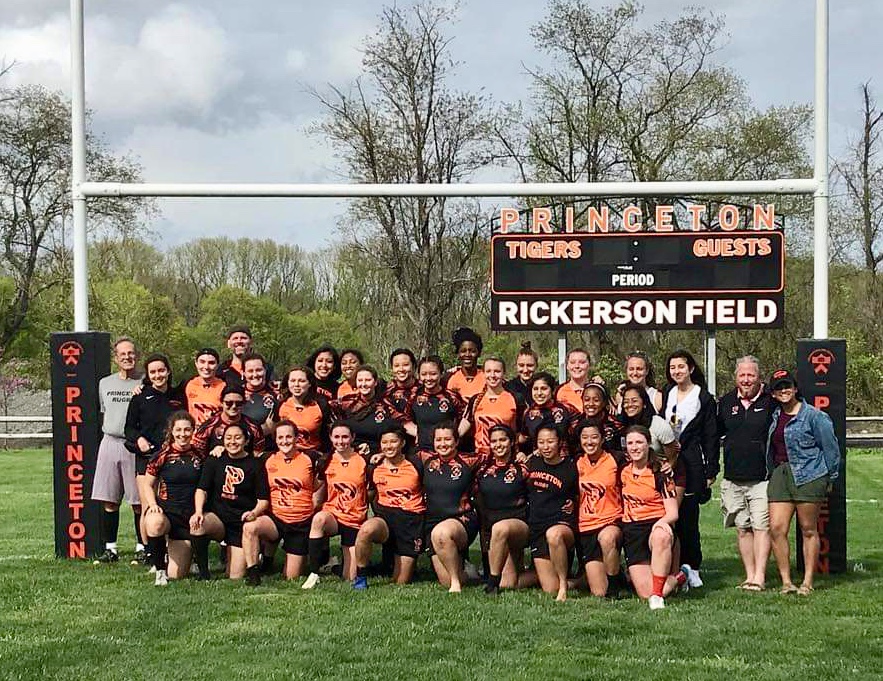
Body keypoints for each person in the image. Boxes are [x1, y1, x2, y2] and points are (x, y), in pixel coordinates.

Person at [766, 369, 840, 596]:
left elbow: (831, 448)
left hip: (809, 475)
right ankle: (786, 581)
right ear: (774, 394)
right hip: (780, 474)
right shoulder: (776, 415)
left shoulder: (815, 416)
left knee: (808, 529)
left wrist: (830, 477)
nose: (784, 391)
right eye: (779, 387)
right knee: (777, 529)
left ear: (795, 388)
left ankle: (807, 581)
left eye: (787, 386)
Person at [661, 349, 719, 588]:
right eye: (673, 367)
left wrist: (711, 470)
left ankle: (693, 567)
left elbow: (711, 436)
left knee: (688, 517)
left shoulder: (703, 397)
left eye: (681, 367)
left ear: (691, 368)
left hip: (693, 463)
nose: (677, 371)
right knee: (669, 516)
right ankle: (671, 567)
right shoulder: (667, 393)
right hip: (668, 463)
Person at [716, 356, 774, 591]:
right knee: (742, 528)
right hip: (733, 477)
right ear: (736, 378)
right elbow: (716, 433)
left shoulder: (771, 401)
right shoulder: (726, 402)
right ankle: (749, 575)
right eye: (743, 375)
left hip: (762, 478)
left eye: (751, 375)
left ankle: (760, 576)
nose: (747, 379)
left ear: (759, 377)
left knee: (761, 526)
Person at [242, 420, 323, 584]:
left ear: (296, 438)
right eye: (280, 437)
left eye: (288, 437)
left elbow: (324, 479)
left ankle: (287, 556)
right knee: (250, 527)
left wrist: (317, 501)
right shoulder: (267, 459)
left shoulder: (310, 458)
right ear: (275, 439)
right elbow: (242, 456)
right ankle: (254, 574)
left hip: (300, 522)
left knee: (291, 577)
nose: (284, 441)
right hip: (276, 518)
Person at [190, 423, 269, 580]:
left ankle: (252, 552)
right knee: (198, 524)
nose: (232, 442)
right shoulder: (215, 460)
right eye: (228, 438)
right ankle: (204, 572)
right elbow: (202, 489)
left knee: (235, 576)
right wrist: (198, 511)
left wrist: (254, 513)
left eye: (238, 438)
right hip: (218, 519)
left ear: (246, 441)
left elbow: (263, 500)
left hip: (240, 522)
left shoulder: (255, 464)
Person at [124, 353, 182, 563]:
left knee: (167, 504)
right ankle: (149, 551)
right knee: (148, 504)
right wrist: (138, 439)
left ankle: (167, 548)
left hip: (172, 458)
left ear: (168, 371)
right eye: (153, 372)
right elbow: (129, 428)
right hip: (147, 458)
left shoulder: (178, 395)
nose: (158, 375)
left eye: (161, 370)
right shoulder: (140, 396)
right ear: (148, 375)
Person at [619, 425, 685, 610]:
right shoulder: (622, 471)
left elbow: (673, 513)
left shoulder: (660, 473)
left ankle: (657, 597)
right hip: (632, 532)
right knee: (643, 593)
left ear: (648, 444)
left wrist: (660, 524)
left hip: (655, 525)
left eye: (639, 442)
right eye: (630, 443)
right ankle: (680, 576)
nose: (635, 447)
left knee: (661, 535)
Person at [353, 425, 425, 588]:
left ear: (402, 443)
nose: (389, 446)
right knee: (366, 530)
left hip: (410, 522)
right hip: (385, 520)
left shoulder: (416, 464)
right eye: (385, 442)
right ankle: (361, 579)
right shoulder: (374, 467)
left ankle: (403, 564)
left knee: (400, 582)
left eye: (393, 441)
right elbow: (369, 494)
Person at [91, 337, 142, 564]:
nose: (127, 358)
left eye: (131, 354)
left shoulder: (144, 381)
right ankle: (110, 548)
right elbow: (105, 412)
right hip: (110, 442)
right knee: (109, 499)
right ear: (116, 358)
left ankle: (143, 547)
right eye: (123, 355)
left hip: (133, 445)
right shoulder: (105, 383)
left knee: (138, 500)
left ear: (136, 355)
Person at [302, 422, 369, 588]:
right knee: (319, 519)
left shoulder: (364, 460)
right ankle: (314, 572)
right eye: (336, 437)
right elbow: (315, 486)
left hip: (354, 519)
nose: (341, 441)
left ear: (352, 437)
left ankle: (334, 566)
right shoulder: (326, 461)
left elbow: (372, 491)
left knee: (350, 577)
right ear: (331, 438)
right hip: (333, 515)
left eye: (345, 436)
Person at [142, 411, 204, 586]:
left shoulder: (199, 455)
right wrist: (153, 505)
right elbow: (147, 484)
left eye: (187, 430)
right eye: (178, 430)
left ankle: (190, 557)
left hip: (189, 515)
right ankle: (160, 571)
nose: (183, 434)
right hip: (168, 512)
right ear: (172, 431)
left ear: (193, 431)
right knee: (154, 523)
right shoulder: (162, 455)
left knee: (177, 575)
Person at [420, 423, 483, 593]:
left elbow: (497, 457)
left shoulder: (470, 461)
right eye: (438, 440)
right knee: (444, 580)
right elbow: (397, 454)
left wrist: (522, 454)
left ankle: (456, 584)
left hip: (462, 519)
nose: (443, 444)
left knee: (442, 533)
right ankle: (467, 572)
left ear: (456, 441)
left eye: (447, 439)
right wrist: (380, 455)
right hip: (432, 522)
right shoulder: (425, 459)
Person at [525, 424, 578, 602]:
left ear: (560, 443)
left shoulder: (571, 467)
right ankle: (579, 581)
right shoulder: (532, 463)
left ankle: (564, 586)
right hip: (537, 527)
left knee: (554, 535)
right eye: (541, 442)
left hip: (562, 525)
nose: (546, 447)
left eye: (550, 442)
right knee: (549, 588)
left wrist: (575, 503)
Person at [476, 425, 530, 595]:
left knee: (501, 528)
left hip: (519, 525)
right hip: (494, 531)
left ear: (512, 441)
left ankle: (492, 584)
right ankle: (540, 573)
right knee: (509, 583)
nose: (498, 444)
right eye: (494, 441)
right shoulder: (483, 469)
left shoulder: (523, 467)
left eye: (503, 440)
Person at [574, 420, 625, 598]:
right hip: (586, 526)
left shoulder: (616, 459)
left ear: (603, 439)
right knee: (598, 592)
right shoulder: (576, 462)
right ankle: (618, 574)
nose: (590, 442)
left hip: (611, 521)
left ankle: (615, 585)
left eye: (594, 437)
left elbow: (643, 461)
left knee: (607, 537)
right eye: (585, 437)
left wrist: (664, 464)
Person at [463, 357, 525, 457]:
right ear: (483, 373)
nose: (492, 375)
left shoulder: (516, 398)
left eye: (497, 371)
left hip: (507, 457)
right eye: (488, 371)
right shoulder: (475, 400)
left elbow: (525, 431)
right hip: (481, 458)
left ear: (503, 373)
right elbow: (461, 430)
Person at [404, 356, 466, 451]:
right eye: (424, 374)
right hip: (422, 452)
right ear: (418, 375)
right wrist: (419, 434)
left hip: (447, 452)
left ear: (441, 374)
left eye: (433, 374)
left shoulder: (451, 397)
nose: (428, 378)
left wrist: (455, 437)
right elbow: (404, 419)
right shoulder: (413, 397)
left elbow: (465, 419)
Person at [333, 365, 398, 455]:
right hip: (350, 450)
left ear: (375, 382)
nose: (363, 384)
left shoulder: (386, 404)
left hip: (379, 453)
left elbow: (401, 425)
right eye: (360, 380)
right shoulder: (347, 402)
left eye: (367, 380)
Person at [191, 384, 265, 459]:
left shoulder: (254, 427)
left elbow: (258, 455)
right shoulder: (208, 427)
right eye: (229, 403)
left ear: (244, 403)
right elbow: (197, 455)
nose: (233, 406)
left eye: (238, 403)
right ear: (221, 402)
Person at [617, 383, 678, 464]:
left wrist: (667, 469)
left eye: (634, 401)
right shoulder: (621, 425)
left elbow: (672, 457)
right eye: (626, 402)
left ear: (644, 403)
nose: (630, 405)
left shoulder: (658, 425)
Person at [276, 366, 333, 453]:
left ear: (309, 383)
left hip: (313, 453)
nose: (296, 385)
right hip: (286, 453)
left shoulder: (321, 405)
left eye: (301, 381)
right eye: (292, 381)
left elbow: (329, 433)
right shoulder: (280, 405)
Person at [520, 372, 570, 453]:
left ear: (552, 390)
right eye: (535, 389)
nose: (539, 393)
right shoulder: (528, 413)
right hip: (538, 461)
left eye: (544, 388)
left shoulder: (563, 410)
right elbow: (524, 438)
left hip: (562, 460)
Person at [241, 353, 278, 451]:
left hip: (270, 451)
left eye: (259, 370)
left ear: (265, 370)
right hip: (241, 450)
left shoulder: (278, 395)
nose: (255, 375)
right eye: (250, 371)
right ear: (243, 373)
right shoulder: (236, 395)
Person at [181, 348, 225, 427]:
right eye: (202, 362)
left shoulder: (224, 387)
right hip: (194, 435)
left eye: (211, 363)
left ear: (217, 365)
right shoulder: (189, 384)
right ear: (196, 363)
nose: (206, 367)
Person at [442, 327, 486, 402]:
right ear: (458, 353)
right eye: (463, 351)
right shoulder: (448, 378)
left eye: (472, 351)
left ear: (479, 353)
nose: (467, 354)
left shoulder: (487, 377)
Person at [384, 348, 419, 420]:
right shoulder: (386, 390)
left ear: (414, 366)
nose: (401, 369)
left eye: (405, 365)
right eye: (396, 366)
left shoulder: (424, 388)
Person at [555, 347, 591, 414]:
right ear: (567, 366)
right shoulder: (559, 391)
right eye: (572, 362)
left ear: (589, 365)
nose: (577, 366)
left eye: (582, 362)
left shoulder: (597, 389)